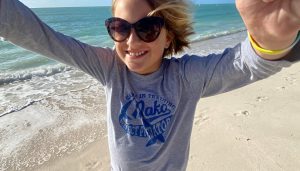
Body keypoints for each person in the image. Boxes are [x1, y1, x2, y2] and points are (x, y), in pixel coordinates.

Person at [0, 0, 299, 170]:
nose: (132, 41)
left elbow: (242, 64)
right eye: (120, 28)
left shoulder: (186, 78)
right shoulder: (109, 69)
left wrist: (271, 41)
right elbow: (45, 38)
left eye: (147, 29)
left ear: (167, 36)